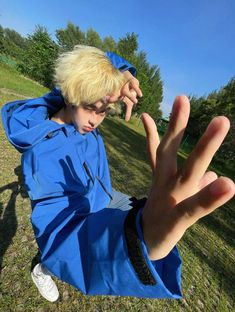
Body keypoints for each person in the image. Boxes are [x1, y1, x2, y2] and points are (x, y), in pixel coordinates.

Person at [1, 45, 234, 302]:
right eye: (92, 107)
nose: (96, 120)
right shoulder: (43, 155)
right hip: (83, 216)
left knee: (141, 209)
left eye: (103, 110)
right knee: (55, 256)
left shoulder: (77, 110)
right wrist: (138, 242)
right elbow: (64, 233)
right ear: (69, 95)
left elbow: (88, 63)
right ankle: (43, 269)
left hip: (104, 195)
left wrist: (121, 72)